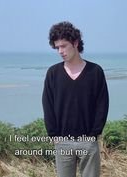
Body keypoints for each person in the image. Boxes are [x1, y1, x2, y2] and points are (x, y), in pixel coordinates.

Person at [42, 21, 109, 177]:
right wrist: (54, 135)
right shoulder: (53, 73)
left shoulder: (95, 71)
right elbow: (47, 105)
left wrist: (94, 134)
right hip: (62, 141)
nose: (60, 51)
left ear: (76, 43)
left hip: (88, 140)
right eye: (57, 47)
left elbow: (102, 104)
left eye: (64, 46)